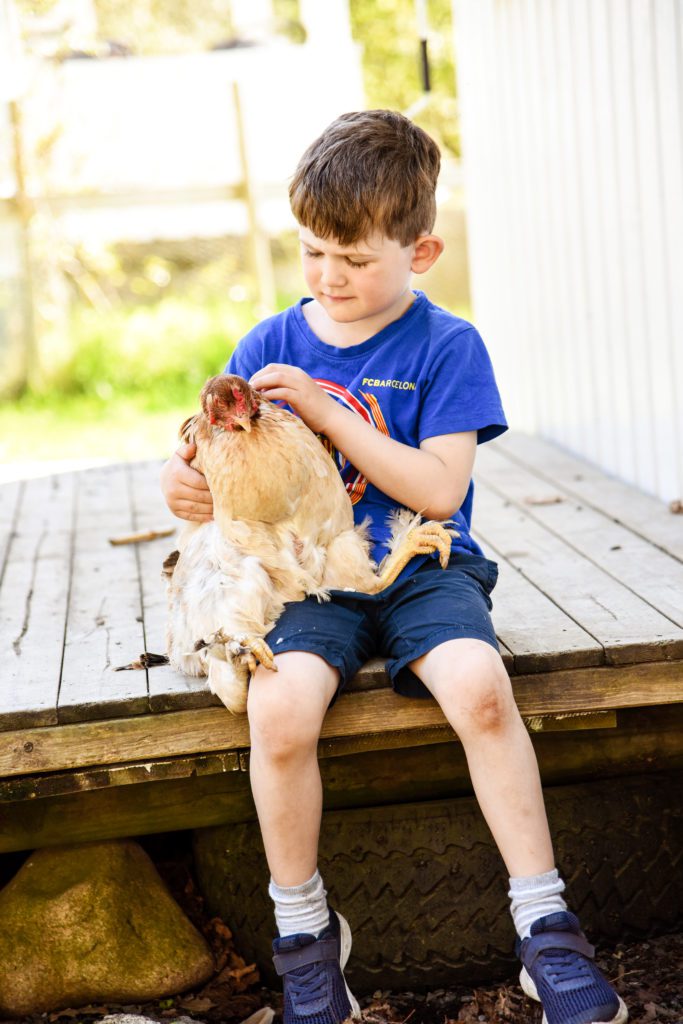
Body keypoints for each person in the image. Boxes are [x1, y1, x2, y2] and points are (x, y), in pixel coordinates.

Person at [160, 110, 627, 1024]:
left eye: (355, 259)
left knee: (481, 688)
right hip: (303, 573)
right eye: (312, 254)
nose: (330, 278)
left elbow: (441, 489)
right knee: (280, 710)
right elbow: (222, 466)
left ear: (419, 252)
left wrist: (337, 421)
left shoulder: (447, 347)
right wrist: (184, 484)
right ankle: (304, 937)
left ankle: (545, 924)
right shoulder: (265, 347)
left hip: (421, 562)